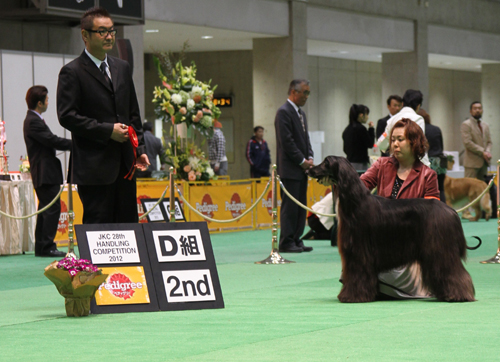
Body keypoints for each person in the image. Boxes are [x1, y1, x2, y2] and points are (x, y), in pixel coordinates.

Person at [57, 7, 149, 224]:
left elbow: (132, 113)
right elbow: (67, 116)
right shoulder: (72, 72)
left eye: (111, 31)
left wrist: (140, 149)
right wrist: (108, 131)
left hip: (125, 165)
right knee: (99, 228)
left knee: (128, 225)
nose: (109, 36)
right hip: (93, 169)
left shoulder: (122, 68)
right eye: (102, 31)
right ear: (85, 35)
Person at [361, 118, 439, 299]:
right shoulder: (381, 165)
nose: (395, 144)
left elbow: (432, 218)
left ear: (414, 141)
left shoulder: (428, 175)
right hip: (381, 243)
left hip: (411, 248)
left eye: (400, 139)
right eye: (393, 140)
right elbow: (359, 188)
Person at [23, 86, 72, 257]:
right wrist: (74, 144)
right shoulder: (33, 121)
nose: (48, 102)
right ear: (39, 103)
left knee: (46, 209)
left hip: (45, 172)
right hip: (44, 172)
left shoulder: (34, 120)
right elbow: (52, 140)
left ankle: (43, 246)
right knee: (51, 209)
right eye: (47, 99)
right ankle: (47, 246)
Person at [275, 79, 314, 253]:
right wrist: (302, 161)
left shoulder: (301, 114)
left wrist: (310, 157)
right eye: (304, 92)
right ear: (293, 92)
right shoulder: (283, 112)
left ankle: (297, 238)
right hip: (290, 170)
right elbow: (287, 142)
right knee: (290, 207)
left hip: (301, 170)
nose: (307, 96)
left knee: (300, 206)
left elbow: (305, 139)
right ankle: (286, 241)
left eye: (308, 93)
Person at [377, 89, 429, 166]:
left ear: (403, 103)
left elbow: (381, 143)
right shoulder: (418, 119)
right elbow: (419, 145)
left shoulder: (391, 120)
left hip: (395, 165)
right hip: (414, 167)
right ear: (418, 106)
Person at [419, 108, 447, 202]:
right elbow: (441, 146)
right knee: (441, 189)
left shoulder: (419, 130)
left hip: (428, 162)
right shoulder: (436, 129)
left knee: (426, 190)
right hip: (439, 161)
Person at [461, 101, 492, 180]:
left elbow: (489, 142)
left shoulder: (485, 125)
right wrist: (483, 152)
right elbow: (467, 142)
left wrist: (487, 152)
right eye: (475, 108)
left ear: (482, 110)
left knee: (483, 188)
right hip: (471, 163)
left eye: (479, 108)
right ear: (470, 111)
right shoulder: (466, 124)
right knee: (468, 187)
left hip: (484, 162)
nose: (477, 110)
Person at [342, 104, 374, 172]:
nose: (368, 117)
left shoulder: (346, 130)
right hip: (360, 165)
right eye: (367, 115)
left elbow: (345, 149)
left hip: (349, 164)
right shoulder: (361, 129)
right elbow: (370, 144)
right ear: (361, 115)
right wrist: (371, 129)